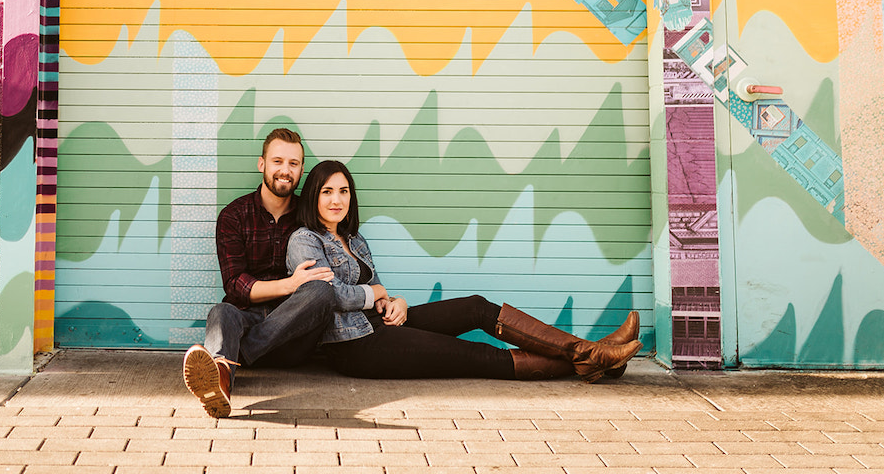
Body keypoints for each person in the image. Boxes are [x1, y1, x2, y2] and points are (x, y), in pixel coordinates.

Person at [286, 160, 642, 383]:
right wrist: (376, 294)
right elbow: (328, 295)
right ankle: (596, 355)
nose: (337, 199)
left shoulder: (352, 237)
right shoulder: (304, 240)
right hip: (355, 346)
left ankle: (591, 353)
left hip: (382, 325)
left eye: (344, 191)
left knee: (475, 306)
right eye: (327, 191)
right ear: (312, 197)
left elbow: (375, 286)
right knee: (478, 355)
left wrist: (394, 300)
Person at [182, 128, 336, 418]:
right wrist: (290, 284)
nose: (285, 170)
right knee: (221, 311)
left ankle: (235, 356)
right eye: (278, 161)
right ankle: (222, 383)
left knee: (321, 291)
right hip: (246, 319)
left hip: (293, 335)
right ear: (262, 164)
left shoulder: (312, 213)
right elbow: (236, 284)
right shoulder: (233, 216)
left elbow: (343, 259)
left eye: (293, 164)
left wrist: (379, 294)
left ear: (302, 170)